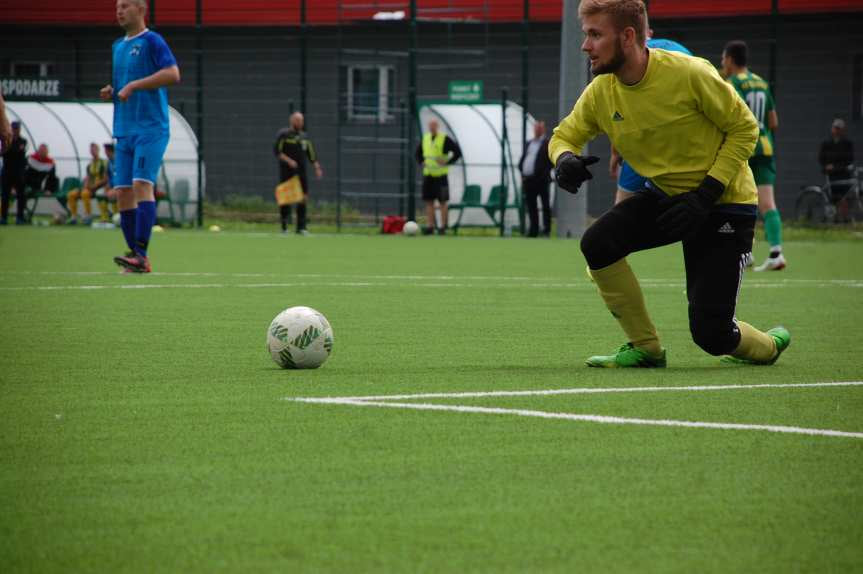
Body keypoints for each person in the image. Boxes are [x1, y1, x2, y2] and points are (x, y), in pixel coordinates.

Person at [549, 0, 789, 368]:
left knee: (713, 335)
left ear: (628, 36)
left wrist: (707, 194)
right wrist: (564, 160)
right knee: (598, 243)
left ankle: (770, 345)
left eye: (595, 35)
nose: (586, 45)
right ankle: (646, 347)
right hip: (668, 197)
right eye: (586, 35)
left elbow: (745, 129)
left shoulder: (691, 73)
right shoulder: (601, 91)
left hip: (724, 201)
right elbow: (563, 135)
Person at [101, 0, 180, 273]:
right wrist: (113, 90)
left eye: (125, 6)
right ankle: (135, 255)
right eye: (117, 7)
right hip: (124, 129)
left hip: (151, 128)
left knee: (141, 185)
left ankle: (142, 255)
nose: (119, 11)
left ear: (141, 9)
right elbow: (123, 86)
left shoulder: (152, 41)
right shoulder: (117, 46)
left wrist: (134, 85)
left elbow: (172, 73)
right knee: (122, 192)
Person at [722, 40, 785, 271]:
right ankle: (776, 252)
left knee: (738, 200)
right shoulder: (761, 82)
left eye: (723, 59)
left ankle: (744, 252)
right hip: (765, 148)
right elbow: (773, 121)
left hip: (743, 148)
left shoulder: (732, 83)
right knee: (768, 203)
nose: (722, 63)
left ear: (729, 59)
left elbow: (731, 116)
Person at [608, 31, 691, 204]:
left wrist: (616, 151)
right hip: (688, 142)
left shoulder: (623, 60)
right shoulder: (679, 50)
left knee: (623, 206)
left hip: (644, 141)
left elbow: (620, 111)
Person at [274, 111, 322, 235]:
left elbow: (311, 154)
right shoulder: (284, 135)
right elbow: (277, 152)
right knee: (285, 198)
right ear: (292, 121)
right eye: (298, 120)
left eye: (302, 121)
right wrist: (289, 161)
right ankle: (284, 227)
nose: (301, 123)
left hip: (301, 172)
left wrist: (317, 167)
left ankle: (301, 227)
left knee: (303, 198)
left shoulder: (304, 137)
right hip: (287, 172)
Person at [415, 119, 462, 235]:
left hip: (441, 176)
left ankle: (443, 227)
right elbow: (417, 154)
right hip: (428, 175)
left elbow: (457, 152)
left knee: (443, 201)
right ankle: (430, 226)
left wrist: (447, 162)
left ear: (438, 126)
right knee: (429, 201)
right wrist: (422, 162)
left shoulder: (444, 139)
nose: (431, 127)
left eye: (434, 125)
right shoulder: (425, 138)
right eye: (430, 125)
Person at [518, 121, 554, 237]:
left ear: (543, 130)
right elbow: (524, 159)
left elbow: (551, 161)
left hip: (542, 180)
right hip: (528, 180)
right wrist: (522, 172)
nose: (537, 130)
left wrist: (543, 174)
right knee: (531, 206)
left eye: (539, 128)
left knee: (545, 206)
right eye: (536, 128)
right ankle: (533, 230)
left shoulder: (548, 143)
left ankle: (546, 230)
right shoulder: (529, 143)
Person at [67, 142, 108, 225]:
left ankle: (88, 216)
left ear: (98, 150)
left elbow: (105, 178)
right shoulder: (90, 165)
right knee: (71, 194)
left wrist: (94, 186)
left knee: (85, 194)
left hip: (98, 187)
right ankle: (73, 216)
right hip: (89, 187)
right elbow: (87, 178)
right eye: (91, 150)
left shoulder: (103, 163)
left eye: (94, 149)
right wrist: (85, 185)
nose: (92, 151)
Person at [819, 118, 855, 205]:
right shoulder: (826, 143)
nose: (836, 130)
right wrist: (826, 166)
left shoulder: (847, 143)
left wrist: (837, 166)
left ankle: (844, 217)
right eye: (835, 128)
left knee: (845, 196)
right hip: (831, 174)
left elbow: (849, 159)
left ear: (842, 130)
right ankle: (835, 216)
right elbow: (821, 157)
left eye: (838, 128)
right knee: (834, 197)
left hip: (843, 174)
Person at [1, 120, 28, 225]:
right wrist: (11, 149)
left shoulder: (23, 141)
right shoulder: (5, 140)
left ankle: (20, 218)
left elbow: (16, 151)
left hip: (19, 173)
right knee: (5, 196)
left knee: (21, 196)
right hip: (7, 172)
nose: (15, 130)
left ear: (19, 129)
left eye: (17, 128)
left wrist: (9, 149)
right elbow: (4, 152)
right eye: (13, 128)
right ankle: (3, 217)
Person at [98, 142, 119, 222]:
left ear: (110, 151)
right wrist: (108, 186)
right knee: (99, 193)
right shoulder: (109, 163)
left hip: (121, 187)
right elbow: (108, 177)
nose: (105, 153)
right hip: (112, 187)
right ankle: (105, 217)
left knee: (112, 194)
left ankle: (117, 214)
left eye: (106, 151)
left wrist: (116, 188)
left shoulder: (119, 161)